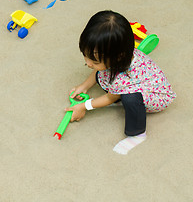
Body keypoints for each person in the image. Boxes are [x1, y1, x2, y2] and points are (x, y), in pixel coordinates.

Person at [66, 10, 176, 154]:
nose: (88, 63)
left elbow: (109, 98)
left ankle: (137, 134)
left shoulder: (122, 79)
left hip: (156, 96)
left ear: (118, 57)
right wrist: (84, 86)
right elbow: (100, 71)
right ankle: (115, 88)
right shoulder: (117, 55)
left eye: (93, 60)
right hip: (127, 78)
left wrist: (83, 106)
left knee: (129, 98)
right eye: (85, 56)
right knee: (102, 72)